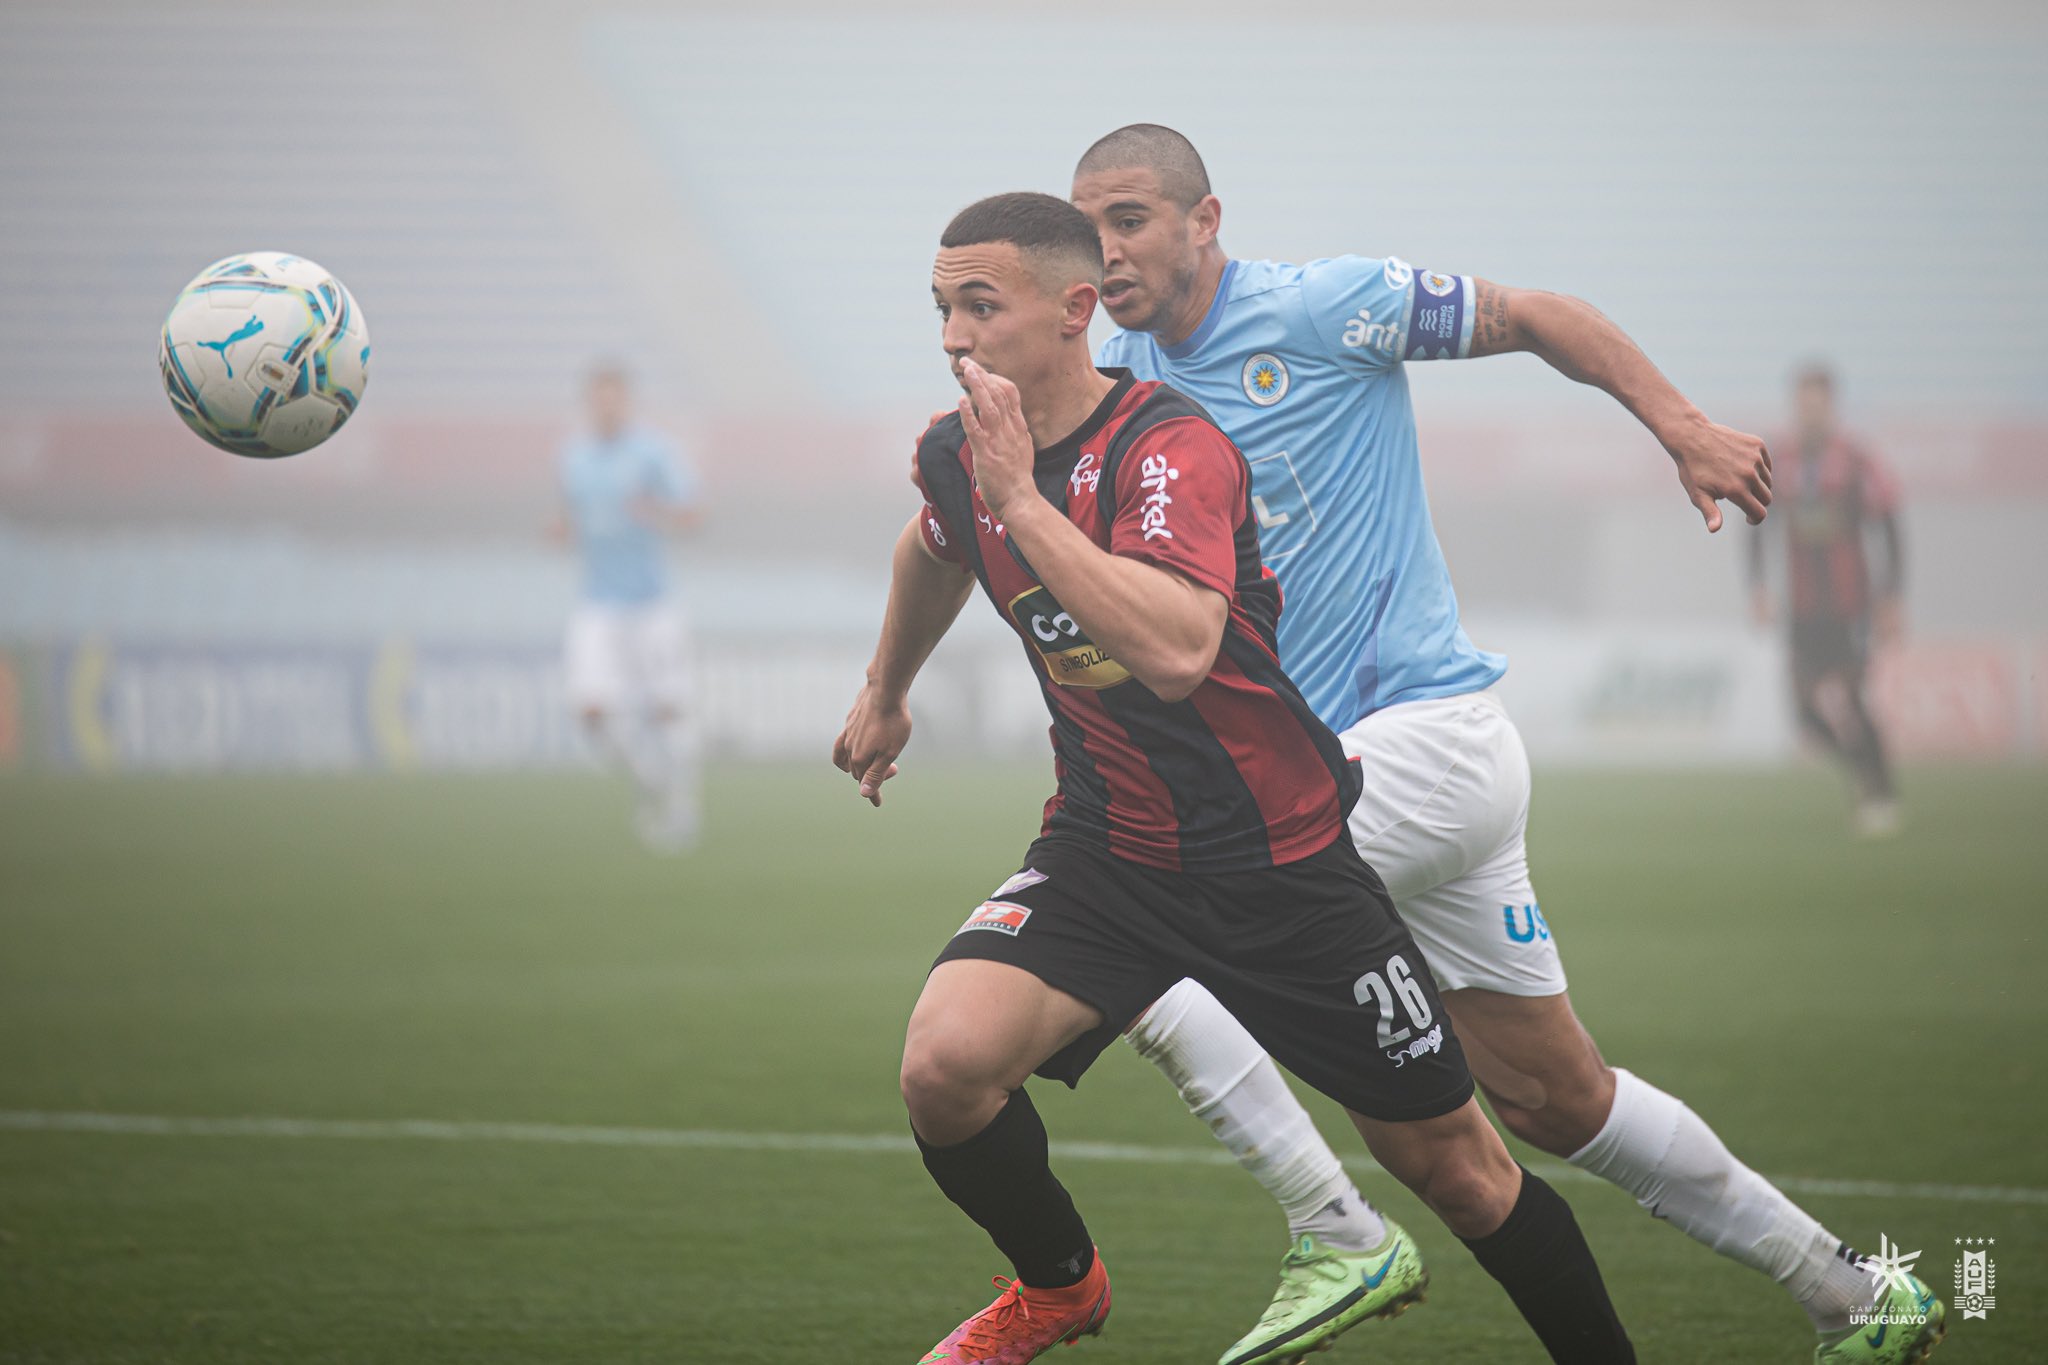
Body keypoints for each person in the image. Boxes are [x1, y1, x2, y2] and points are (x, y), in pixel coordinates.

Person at [1069, 125, 1944, 1365]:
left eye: (1130, 220)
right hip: (1387, 780)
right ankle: (1855, 1297)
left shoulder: (1323, 306)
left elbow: (1538, 313)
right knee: (1553, 1099)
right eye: (1089, 227)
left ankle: (1336, 1231)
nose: (1106, 251)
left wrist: (1681, 428)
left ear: (1204, 220)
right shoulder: (1124, 384)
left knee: (1156, 930)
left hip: (1411, 743)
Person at [834, 190, 1636, 1365]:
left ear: (1071, 312)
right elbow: (934, 543)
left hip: (1279, 861)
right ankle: (1057, 1288)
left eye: (979, 306)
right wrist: (886, 688)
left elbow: (1170, 649)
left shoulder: (1170, 447)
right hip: (1107, 853)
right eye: (941, 308)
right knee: (945, 1067)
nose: (952, 336)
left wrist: (1022, 500)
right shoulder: (961, 456)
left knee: (1458, 1176)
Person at [1749, 362, 1906, 837]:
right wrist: (1758, 587)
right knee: (1804, 713)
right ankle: (1865, 772)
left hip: (1848, 606)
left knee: (1854, 700)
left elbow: (1890, 527)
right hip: (1802, 607)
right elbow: (1756, 524)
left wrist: (1891, 596)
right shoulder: (1780, 459)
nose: (1810, 412)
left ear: (1831, 406)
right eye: (1803, 403)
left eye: (1818, 403)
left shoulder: (1856, 460)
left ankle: (1880, 792)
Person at [553, 361, 704, 852]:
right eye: (599, 397)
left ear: (627, 400)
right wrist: (561, 532)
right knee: (592, 712)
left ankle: (681, 811)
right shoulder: (574, 458)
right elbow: (571, 519)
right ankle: (652, 778)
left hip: (651, 601)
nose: (607, 405)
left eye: (615, 396)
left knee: (668, 708)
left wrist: (656, 512)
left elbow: (692, 517)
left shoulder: (652, 453)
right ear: (589, 402)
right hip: (598, 602)